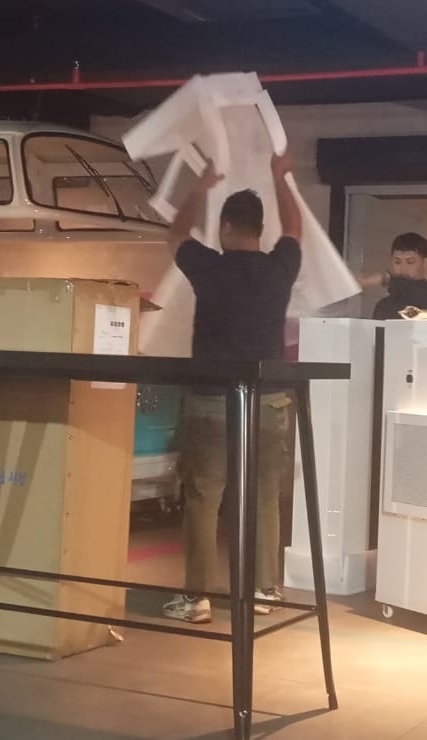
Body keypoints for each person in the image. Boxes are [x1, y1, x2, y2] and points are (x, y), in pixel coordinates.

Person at [161, 150, 303, 625]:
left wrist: (200, 187)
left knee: (204, 498)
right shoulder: (280, 268)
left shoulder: (210, 267)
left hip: (211, 402)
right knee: (264, 495)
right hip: (269, 402)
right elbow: (295, 229)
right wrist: (281, 176)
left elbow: (175, 234)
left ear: (224, 228)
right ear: (260, 229)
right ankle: (264, 589)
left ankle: (197, 598)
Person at [364, 232, 427, 319]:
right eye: (397, 262)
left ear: (424, 262)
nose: (403, 268)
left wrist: (386, 279)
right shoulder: (383, 305)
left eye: (410, 262)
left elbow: (415, 292)